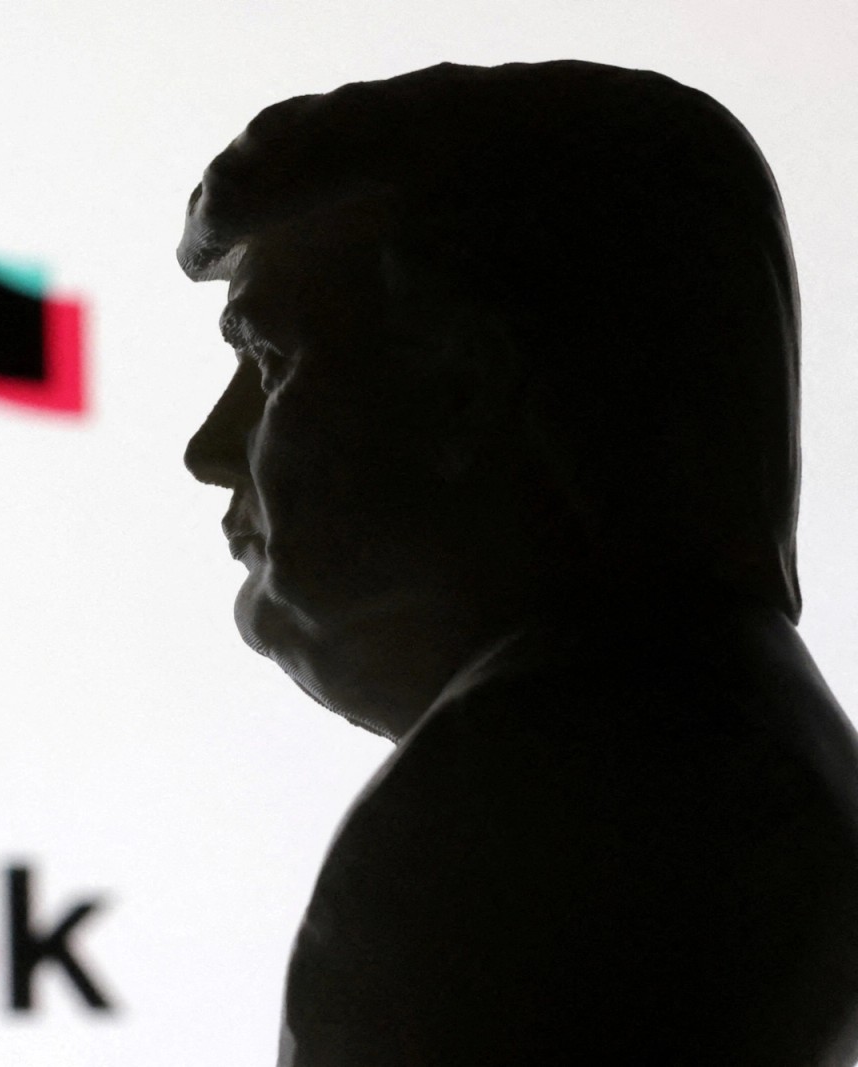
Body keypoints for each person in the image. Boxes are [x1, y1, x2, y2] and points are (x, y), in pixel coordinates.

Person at [179, 60, 858, 1065]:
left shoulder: (523, 805)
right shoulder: (742, 746)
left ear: (465, 382)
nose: (208, 449)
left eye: (270, 362)